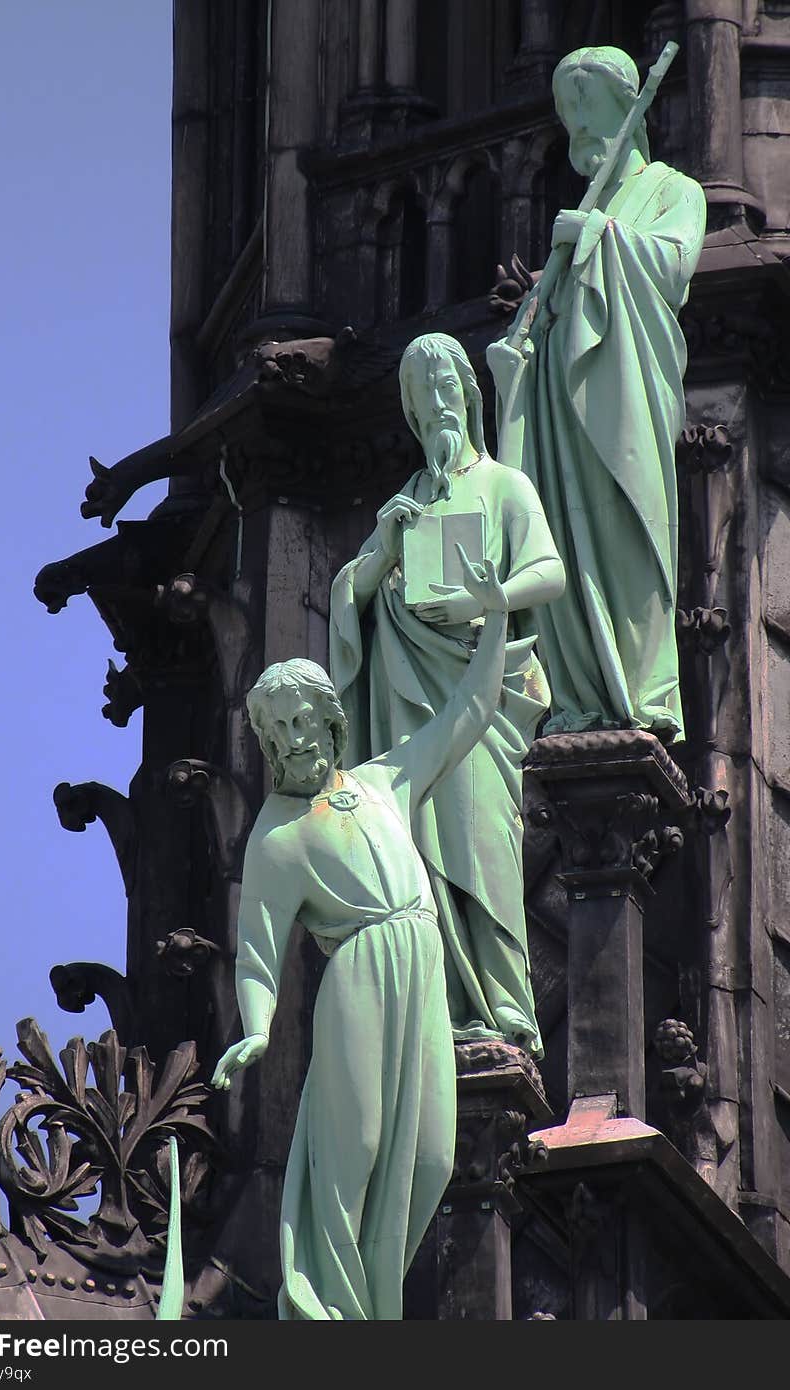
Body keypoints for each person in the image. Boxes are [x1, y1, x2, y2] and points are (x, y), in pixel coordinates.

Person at [211, 550, 515, 1320]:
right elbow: (257, 953)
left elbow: (467, 715)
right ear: (268, 743)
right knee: (358, 1149)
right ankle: (328, 1308)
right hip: (357, 974)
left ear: (330, 722)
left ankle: (372, 1304)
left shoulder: (383, 780)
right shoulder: (277, 839)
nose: (295, 738)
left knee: (434, 1156)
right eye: (278, 729)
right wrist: (255, 1030)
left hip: (421, 961)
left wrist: (498, 616)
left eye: (305, 720)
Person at [329, 332, 565, 1056]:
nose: (435, 407)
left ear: (469, 391)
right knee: (417, 854)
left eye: (444, 388)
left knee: (481, 846)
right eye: (419, 395)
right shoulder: (404, 504)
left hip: (481, 695)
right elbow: (350, 595)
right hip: (408, 705)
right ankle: (438, 1007)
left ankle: (501, 1008)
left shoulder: (503, 486)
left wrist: (494, 599)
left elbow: (548, 572)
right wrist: (380, 550)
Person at [487, 45, 706, 739]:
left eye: (591, 119)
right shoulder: (573, 214)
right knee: (566, 537)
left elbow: (673, 267)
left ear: (628, 112)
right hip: (563, 411)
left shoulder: (675, 190)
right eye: (570, 124)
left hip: (627, 398)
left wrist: (601, 236)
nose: (580, 136)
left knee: (624, 533)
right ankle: (581, 690)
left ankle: (639, 691)